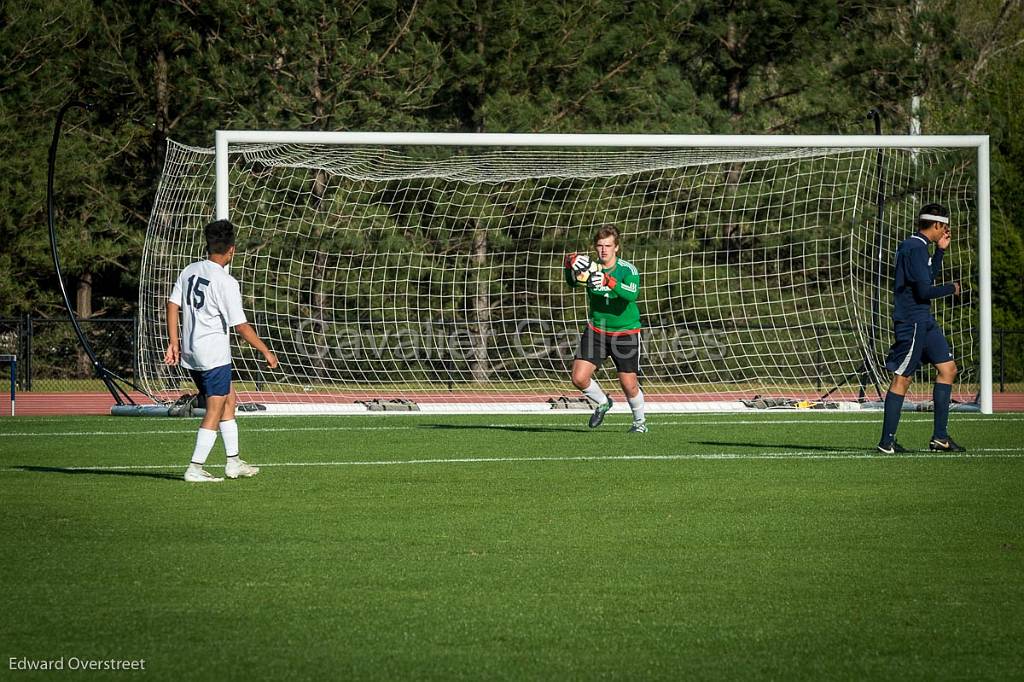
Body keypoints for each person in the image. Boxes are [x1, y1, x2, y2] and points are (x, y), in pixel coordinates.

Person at [165, 219, 279, 482]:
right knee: (214, 410)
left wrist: (174, 341)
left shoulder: (190, 270)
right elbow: (240, 326)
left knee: (229, 400)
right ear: (232, 250)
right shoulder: (225, 281)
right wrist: (266, 351)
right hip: (213, 355)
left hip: (192, 354)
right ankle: (195, 467)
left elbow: (172, 305)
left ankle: (233, 462)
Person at [877, 204, 964, 454]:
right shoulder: (913, 248)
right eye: (944, 228)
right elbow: (924, 291)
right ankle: (887, 441)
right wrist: (951, 288)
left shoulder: (920, 247)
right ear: (936, 225)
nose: (945, 232)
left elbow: (926, 279)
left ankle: (940, 437)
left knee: (948, 369)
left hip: (924, 320)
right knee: (902, 378)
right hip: (912, 322)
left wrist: (940, 252)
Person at [564, 225, 646, 432]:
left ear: (616, 247)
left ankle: (639, 423)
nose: (604, 250)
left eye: (608, 245)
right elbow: (573, 283)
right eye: (600, 245)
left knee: (629, 385)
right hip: (597, 330)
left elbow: (632, 294)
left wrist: (609, 281)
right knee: (579, 378)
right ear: (595, 247)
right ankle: (603, 402)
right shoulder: (590, 268)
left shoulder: (628, 270)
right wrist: (569, 266)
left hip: (625, 332)